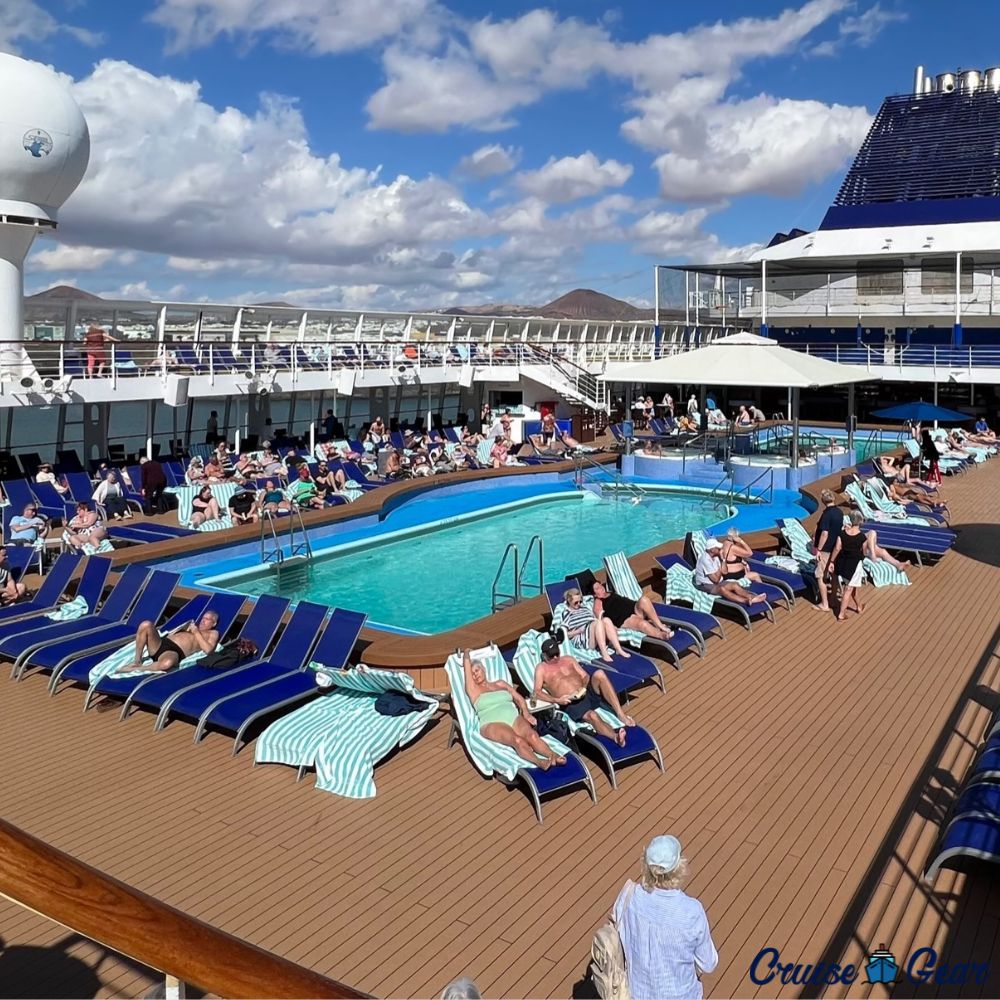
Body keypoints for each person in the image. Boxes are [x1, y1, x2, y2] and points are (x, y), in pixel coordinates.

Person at [612, 834, 718, 1000]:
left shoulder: (628, 896)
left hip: (636, 994)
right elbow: (708, 963)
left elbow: (619, 933)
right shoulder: (691, 911)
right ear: (679, 867)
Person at [460, 648, 565, 770]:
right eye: (472, 674)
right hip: (492, 723)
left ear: (483, 669)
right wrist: (466, 653)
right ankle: (539, 762)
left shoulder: (500, 684)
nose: (475, 675)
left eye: (477, 670)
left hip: (513, 717)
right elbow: (467, 672)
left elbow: (519, 699)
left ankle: (553, 754)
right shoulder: (474, 691)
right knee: (518, 740)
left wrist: (526, 713)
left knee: (532, 735)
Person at [532, 637, 635, 746]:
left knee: (600, 674)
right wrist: (557, 700)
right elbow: (537, 692)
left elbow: (585, 675)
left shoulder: (568, 659)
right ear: (544, 655)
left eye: (557, 653)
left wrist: (584, 687)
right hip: (571, 702)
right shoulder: (541, 669)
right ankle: (616, 737)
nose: (556, 657)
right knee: (592, 715)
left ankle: (620, 714)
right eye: (551, 656)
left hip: (585, 691)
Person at [117, 610, 220, 674]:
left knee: (167, 664)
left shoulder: (213, 633)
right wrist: (183, 628)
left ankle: (137, 669)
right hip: (161, 643)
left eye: (207, 619)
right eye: (203, 618)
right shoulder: (191, 627)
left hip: (173, 652)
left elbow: (208, 650)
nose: (202, 621)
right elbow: (170, 634)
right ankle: (137, 661)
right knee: (146, 624)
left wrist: (196, 632)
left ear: (214, 623)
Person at [559, 586, 633, 663]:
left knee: (606, 620)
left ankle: (618, 649)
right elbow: (564, 634)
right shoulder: (567, 613)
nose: (578, 604)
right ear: (569, 601)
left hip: (594, 631)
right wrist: (577, 631)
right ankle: (604, 653)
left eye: (580, 602)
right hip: (583, 638)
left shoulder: (584, 608)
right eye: (575, 603)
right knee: (597, 622)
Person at [588, 579, 675, 642]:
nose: (601, 587)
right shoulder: (598, 603)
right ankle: (661, 635)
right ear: (594, 594)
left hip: (634, 608)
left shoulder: (610, 592)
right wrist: (612, 628)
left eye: (600, 585)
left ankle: (659, 625)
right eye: (597, 588)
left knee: (644, 600)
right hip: (623, 618)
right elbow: (601, 619)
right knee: (642, 623)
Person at [694, 537, 766, 606]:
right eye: (718, 549)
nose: (721, 549)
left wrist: (723, 560)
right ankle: (745, 601)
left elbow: (725, 572)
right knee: (722, 589)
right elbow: (715, 580)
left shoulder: (716, 557)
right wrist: (720, 567)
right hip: (705, 585)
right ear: (711, 550)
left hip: (717, 581)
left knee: (734, 585)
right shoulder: (705, 560)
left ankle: (751, 597)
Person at [831, 510, 866, 621]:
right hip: (854, 565)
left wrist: (832, 561)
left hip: (842, 563)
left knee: (851, 586)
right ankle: (841, 614)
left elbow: (837, 548)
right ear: (860, 521)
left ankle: (859, 606)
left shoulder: (842, 533)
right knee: (848, 588)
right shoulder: (862, 537)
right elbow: (864, 552)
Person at [812, 489, 843, 613]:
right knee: (833, 575)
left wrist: (818, 550)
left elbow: (824, 533)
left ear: (823, 501)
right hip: (835, 548)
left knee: (820, 577)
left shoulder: (826, 514)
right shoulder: (839, 512)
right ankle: (834, 599)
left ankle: (825, 604)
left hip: (825, 549)